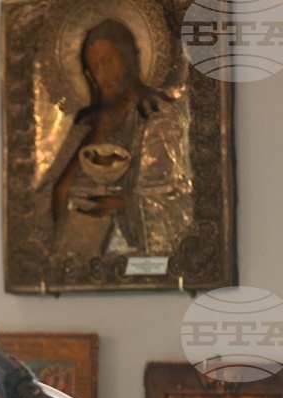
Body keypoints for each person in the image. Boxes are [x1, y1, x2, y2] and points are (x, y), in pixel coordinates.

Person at [43, 19, 192, 257]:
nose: (102, 76)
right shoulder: (86, 125)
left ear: (128, 58)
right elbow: (55, 190)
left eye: (108, 61)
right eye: (94, 68)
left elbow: (175, 200)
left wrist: (120, 205)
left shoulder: (158, 118)